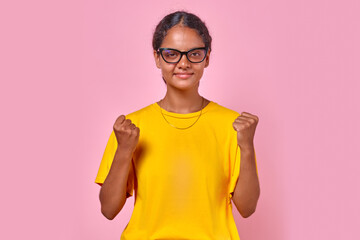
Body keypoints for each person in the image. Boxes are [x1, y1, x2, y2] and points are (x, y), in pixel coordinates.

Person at [95, 10, 260, 240]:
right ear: (157, 57)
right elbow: (108, 210)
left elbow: (247, 207)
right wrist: (124, 150)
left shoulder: (233, 126)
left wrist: (248, 147)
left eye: (194, 54)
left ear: (207, 57)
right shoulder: (131, 128)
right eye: (172, 54)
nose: (183, 63)